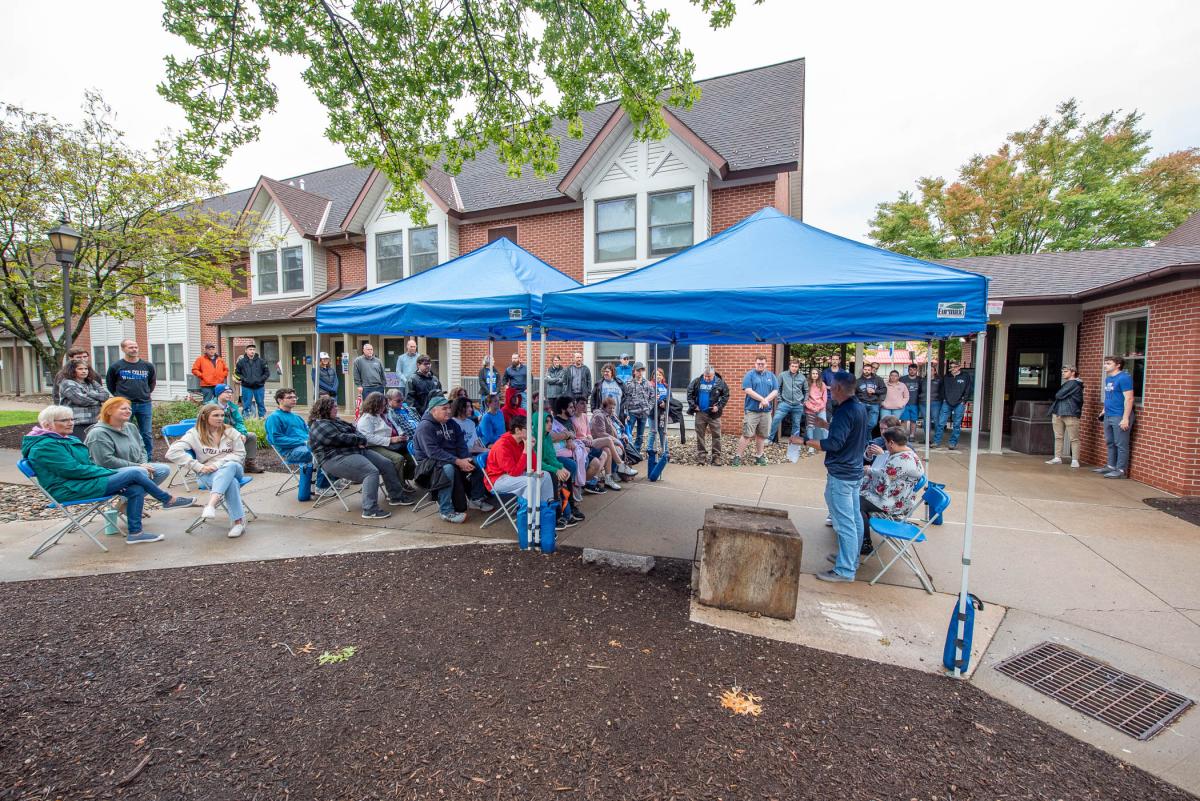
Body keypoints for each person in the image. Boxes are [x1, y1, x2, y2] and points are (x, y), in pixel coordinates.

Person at [23, 405, 194, 545]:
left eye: (72, 419)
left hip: (84, 482)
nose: (71, 423)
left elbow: (87, 465)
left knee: (135, 487)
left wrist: (109, 473)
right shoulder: (44, 446)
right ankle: (167, 499)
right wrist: (110, 472)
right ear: (47, 425)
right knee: (135, 472)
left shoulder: (68, 440)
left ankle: (135, 533)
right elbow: (73, 470)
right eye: (65, 420)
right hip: (68, 488)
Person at [798, 372, 869, 582]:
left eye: (831, 387)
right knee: (854, 519)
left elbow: (833, 444)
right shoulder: (859, 408)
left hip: (842, 474)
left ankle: (845, 570)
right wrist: (826, 425)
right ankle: (850, 559)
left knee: (844, 522)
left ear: (838, 388)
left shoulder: (845, 411)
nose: (829, 390)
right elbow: (847, 433)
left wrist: (802, 442)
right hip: (853, 471)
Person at [307, 396, 409, 520]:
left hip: (354, 450)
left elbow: (355, 431)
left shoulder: (336, 421)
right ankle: (370, 510)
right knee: (371, 472)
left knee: (387, 463)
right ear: (325, 409)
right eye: (334, 406)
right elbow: (339, 438)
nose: (336, 408)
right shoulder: (319, 424)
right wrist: (358, 440)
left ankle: (396, 497)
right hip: (335, 458)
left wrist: (358, 439)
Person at [165, 403, 250, 538]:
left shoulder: (231, 431)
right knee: (231, 483)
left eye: (222, 415)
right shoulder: (194, 434)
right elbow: (172, 452)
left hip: (235, 468)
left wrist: (217, 464)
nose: (220, 418)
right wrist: (199, 466)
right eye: (216, 415)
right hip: (207, 473)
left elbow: (240, 454)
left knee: (230, 466)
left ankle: (211, 504)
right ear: (204, 417)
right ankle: (238, 522)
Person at [413, 396, 492, 523]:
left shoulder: (451, 423)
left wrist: (465, 458)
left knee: (476, 463)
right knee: (448, 469)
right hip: (429, 464)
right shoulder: (425, 427)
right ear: (433, 411)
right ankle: (446, 511)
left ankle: (475, 499)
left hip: (451, 458)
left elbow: (460, 443)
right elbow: (432, 452)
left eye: (449, 408)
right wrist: (458, 461)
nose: (449, 411)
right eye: (444, 408)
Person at [859, 427, 925, 558]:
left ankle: (865, 542)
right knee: (860, 497)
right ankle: (863, 535)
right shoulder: (909, 454)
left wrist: (869, 471)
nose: (885, 447)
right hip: (899, 498)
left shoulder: (902, 460)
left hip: (894, 503)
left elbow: (883, 480)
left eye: (885, 442)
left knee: (856, 503)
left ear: (891, 443)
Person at [85, 396, 171, 487]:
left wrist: (144, 463)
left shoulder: (131, 427)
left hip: (135, 468)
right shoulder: (98, 433)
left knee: (163, 469)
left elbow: (141, 448)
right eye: (123, 408)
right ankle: (133, 496)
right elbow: (106, 461)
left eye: (129, 409)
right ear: (109, 411)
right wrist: (138, 466)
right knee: (140, 471)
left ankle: (130, 498)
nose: (128, 411)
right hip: (106, 473)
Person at [485, 416, 558, 522]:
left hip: (513, 475)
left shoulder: (521, 441)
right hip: (497, 479)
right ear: (518, 430)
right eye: (528, 429)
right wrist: (526, 450)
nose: (531, 431)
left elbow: (533, 466)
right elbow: (514, 472)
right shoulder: (502, 445)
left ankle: (545, 513)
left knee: (545, 475)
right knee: (530, 481)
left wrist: (531, 448)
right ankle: (531, 522)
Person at [355, 392, 418, 496]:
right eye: (382, 405)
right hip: (375, 446)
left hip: (393, 443)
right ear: (374, 404)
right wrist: (390, 440)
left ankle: (402, 478)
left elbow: (395, 425)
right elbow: (368, 438)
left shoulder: (385, 413)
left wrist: (401, 434)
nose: (384, 407)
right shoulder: (366, 419)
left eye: (384, 404)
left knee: (414, 456)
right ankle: (399, 486)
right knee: (398, 459)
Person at [105, 339, 156, 460]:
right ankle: (128, 458)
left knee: (146, 433)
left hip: (144, 404)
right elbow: (110, 385)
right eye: (130, 347)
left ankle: (148, 459)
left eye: (136, 347)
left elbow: (151, 383)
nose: (134, 349)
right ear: (123, 349)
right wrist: (121, 398)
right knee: (123, 431)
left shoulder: (147, 366)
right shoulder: (116, 366)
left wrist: (145, 393)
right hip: (124, 404)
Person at [265, 387, 317, 498]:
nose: (294, 399)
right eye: (289, 397)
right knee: (318, 452)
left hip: (306, 447)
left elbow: (308, 433)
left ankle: (326, 483)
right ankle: (321, 485)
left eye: (294, 397)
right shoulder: (274, 417)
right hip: (291, 452)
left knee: (329, 448)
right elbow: (277, 439)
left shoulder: (297, 417)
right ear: (280, 400)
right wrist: (303, 442)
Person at [733, 355, 779, 467]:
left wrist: (766, 400)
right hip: (752, 410)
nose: (760, 365)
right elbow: (748, 390)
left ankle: (759, 456)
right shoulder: (750, 375)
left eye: (762, 363)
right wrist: (762, 399)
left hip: (766, 411)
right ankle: (738, 456)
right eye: (758, 363)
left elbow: (775, 391)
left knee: (762, 435)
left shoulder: (771, 376)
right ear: (755, 363)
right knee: (747, 434)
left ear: (766, 364)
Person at [1096, 355, 1134, 479]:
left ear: (1118, 365)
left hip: (1120, 415)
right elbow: (1109, 397)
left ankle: (1121, 470)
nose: (1105, 365)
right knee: (1110, 442)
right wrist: (1104, 410)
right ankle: (1111, 466)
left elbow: (1129, 398)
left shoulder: (1124, 378)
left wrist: (1125, 418)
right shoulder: (1108, 379)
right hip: (1108, 414)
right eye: (1105, 363)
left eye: (1108, 363)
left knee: (1121, 443)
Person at [212, 384, 263, 473]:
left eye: (231, 392)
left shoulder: (231, 406)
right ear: (218, 394)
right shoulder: (210, 407)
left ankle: (249, 464)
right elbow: (213, 426)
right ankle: (225, 465)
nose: (230, 394)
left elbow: (239, 422)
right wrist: (235, 435)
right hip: (215, 435)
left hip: (231, 433)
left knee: (250, 436)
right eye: (226, 392)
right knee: (232, 440)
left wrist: (242, 433)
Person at [56, 359, 110, 440]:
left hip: (95, 421)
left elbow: (105, 396)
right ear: (72, 370)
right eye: (80, 369)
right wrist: (99, 401)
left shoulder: (92, 382)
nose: (84, 371)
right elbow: (81, 400)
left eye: (86, 369)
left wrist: (89, 394)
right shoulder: (67, 383)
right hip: (77, 422)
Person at [687, 365, 729, 466]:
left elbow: (726, 395)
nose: (706, 378)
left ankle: (716, 456)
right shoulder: (697, 381)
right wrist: (693, 405)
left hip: (714, 414)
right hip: (700, 413)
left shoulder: (720, 382)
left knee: (716, 436)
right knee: (700, 435)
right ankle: (701, 455)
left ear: (713, 375)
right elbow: (689, 393)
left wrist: (718, 407)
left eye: (709, 376)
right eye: (705, 376)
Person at [573, 401, 621, 490]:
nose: (585, 406)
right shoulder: (572, 418)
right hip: (580, 444)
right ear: (576, 405)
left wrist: (589, 438)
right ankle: (620, 464)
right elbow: (574, 437)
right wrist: (585, 440)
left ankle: (605, 479)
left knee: (607, 450)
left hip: (589, 442)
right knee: (608, 440)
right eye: (582, 403)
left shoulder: (584, 416)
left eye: (586, 403)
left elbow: (588, 432)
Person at [1046, 366, 1084, 468]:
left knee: (1073, 438)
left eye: (1066, 371)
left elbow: (1059, 395)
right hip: (1059, 412)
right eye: (1062, 371)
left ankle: (1075, 459)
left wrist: (1061, 394)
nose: (1063, 373)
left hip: (1070, 413)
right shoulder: (1068, 384)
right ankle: (1057, 457)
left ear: (1073, 372)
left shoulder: (1074, 384)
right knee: (1058, 437)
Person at [591, 396, 637, 480]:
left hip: (617, 439)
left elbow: (620, 427)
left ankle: (619, 471)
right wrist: (616, 440)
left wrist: (624, 434)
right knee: (618, 449)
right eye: (610, 408)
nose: (612, 410)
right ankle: (616, 471)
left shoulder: (613, 415)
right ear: (604, 407)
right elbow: (601, 434)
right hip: (602, 441)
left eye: (613, 408)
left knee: (631, 451)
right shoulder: (599, 416)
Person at [932, 360, 973, 450]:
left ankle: (952, 443)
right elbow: (942, 388)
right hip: (947, 402)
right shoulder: (947, 377)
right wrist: (944, 398)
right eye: (951, 367)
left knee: (957, 424)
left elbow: (968, 389)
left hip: (959, 403)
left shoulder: (965, 376)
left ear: (959, 367)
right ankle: (936, 441)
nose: (952, 369)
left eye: (954, 367)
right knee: (941, 423)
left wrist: (964, 400)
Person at [770, 360, 807, 443]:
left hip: (798, 405)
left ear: (798, 367)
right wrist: (780, 400)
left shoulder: (802, 377)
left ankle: (794, 442)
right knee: (776, 419)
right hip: (784, 403)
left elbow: (806, 391)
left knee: (796, 424)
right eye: (793, 366)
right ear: (789, 366)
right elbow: (777, 388)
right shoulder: (782, 375)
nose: (794, 368)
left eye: (796, 366)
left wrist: (803, 402)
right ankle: (769, 439)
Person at [623, 362, 654, 454]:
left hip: (644, 412)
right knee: (628, 433)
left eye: (642, 370)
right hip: (632, 412)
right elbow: (624, 398)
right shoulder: (628, 383)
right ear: (634, 371)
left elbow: (652, 396)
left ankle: (637, 452)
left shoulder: (647, 383)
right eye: (638, 371)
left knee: (640, 435)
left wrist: (648, 408)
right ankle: (628, 451)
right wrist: (626, 412)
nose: (640, 373)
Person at [233, 344, 269, 418]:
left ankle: (262, 419)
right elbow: (236, 373)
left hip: (259, 386)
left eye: (253, 349)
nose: (252, 351)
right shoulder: (241, 362)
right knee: (246, 404)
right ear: (246, 351)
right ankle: (246, 419)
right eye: (250, 349)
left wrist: (261, 380)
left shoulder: (261, 361)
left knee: (260, 403)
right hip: (246, 387)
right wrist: (243, 379)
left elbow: (267, 373)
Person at [803, 367, 828, 456]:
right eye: (813, 373)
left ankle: (827, 444)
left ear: (819, 375)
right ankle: (811, 446)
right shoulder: (807, 384)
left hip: (821, 408)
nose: (815, 375)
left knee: (824, 426)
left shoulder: (822, 384)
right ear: (810, 374)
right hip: (810, 409)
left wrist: (819, 407)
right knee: (810, 427)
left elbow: (824, 399)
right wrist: (811, 407)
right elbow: (805, 399)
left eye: (816, 374)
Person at [855, 363, 887, 433]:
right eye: (865, 369)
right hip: (862, 404)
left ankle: (863, 436)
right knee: (860, 423)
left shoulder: (878, 380)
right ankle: (867, 442)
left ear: (871, 370)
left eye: (868, 370)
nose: (867, 371)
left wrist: (874, 391)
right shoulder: (858, 381)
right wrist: (858, 402)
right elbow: (853, 393)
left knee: (873, 423)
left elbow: (884, 390)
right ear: (863, 370)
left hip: (874, 404)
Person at [900, 364, 924, 439]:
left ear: (916, 370)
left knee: (913, 420)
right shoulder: (903, 379)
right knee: (904, 420)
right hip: (905, 403)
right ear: (908, 370)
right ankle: (903, 435)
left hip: (916, 403)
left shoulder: (920, 379)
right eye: (910, 369)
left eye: (914, 370)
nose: (912, 371)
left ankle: (912, 435)